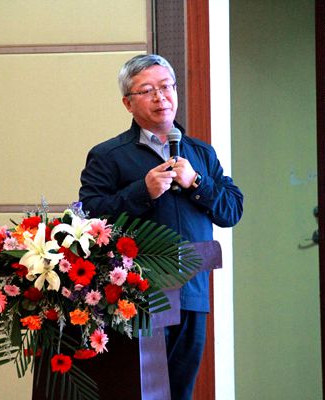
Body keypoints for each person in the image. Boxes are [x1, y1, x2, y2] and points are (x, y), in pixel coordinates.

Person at [78, 54, 243, 399]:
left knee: (180, 391)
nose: (161, 97)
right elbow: (89, 214)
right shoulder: (109, 155)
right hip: (138, 294)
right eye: (148, 90)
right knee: (142, 391)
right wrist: (143, 191)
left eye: (167, 87)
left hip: (192, 290)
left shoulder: (200, 153)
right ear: (128, 103)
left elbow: (231, 210)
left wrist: (197, 182)